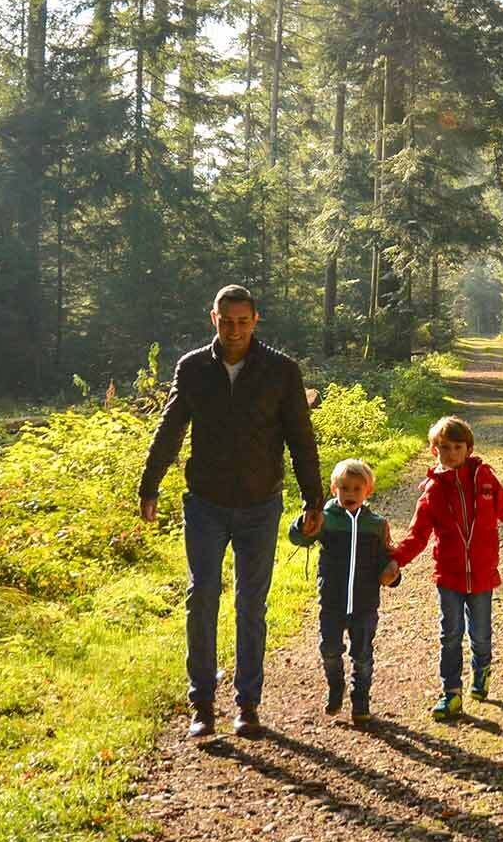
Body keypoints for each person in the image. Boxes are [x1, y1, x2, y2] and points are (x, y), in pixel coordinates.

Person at [138, 284, 326, 740]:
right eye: (227, 321)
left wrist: (313, 499)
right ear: (213, 319)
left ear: (255, 320)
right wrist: (149, 485)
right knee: (201, 598)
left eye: (243, 321)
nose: (235, 330)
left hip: (261, 504)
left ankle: (247, 704)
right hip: (204, 503)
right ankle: (201, 704)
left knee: (250, 606)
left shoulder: (281, 371)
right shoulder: (193, 368)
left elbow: (301, 438)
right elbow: (170, 429)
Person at [390, 415, 503, 721]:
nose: (450, 453)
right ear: (434, 450)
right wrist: (395, 559)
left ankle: (482, 669)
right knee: (450, 634)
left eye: (457, 447)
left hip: (484, 574)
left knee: (481, 634)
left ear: (469, 449)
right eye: (443, 447)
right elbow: (417, 534)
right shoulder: (432, 492)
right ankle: (451, 692)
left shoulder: (485, 480)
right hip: (448, 576)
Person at [287, 458, 403, 726]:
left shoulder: (376, 524)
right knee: (329, 649)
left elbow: (386, 558)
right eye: (344, 488)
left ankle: (360, 702)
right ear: (333, 488)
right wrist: (301, 525)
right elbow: (300, 539)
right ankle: (335, 686)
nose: (350, 494)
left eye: (356, 489)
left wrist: (392, 576)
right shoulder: (326, 520)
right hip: (332, 601)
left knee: (362, 655)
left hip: (365, 603)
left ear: (368, 492)